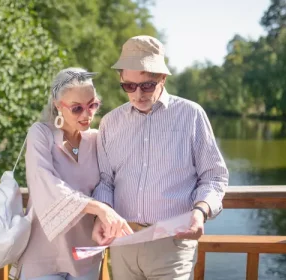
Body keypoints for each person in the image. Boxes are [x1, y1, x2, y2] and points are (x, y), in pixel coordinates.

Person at [91, 35, 229, 280]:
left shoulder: (191, 115)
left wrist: (200, 211)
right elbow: (105, 181)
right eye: (129, 86)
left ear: (162, 79)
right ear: (121, 80)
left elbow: (214, 177)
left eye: (146, 85)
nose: (137, 94)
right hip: (123, 241)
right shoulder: (111, 123)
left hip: (173, 244)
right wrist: (103, 215)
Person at [18, 67, 132, 280]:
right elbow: (45, 183)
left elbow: (110, 183)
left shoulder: (97, 140)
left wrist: (104, 210)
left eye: (92, 105)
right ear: (57, 105)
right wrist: (98, 208)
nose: (87, 114)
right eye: (77, 108)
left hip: (85, 257)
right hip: (43, 256)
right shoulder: (40, 133)